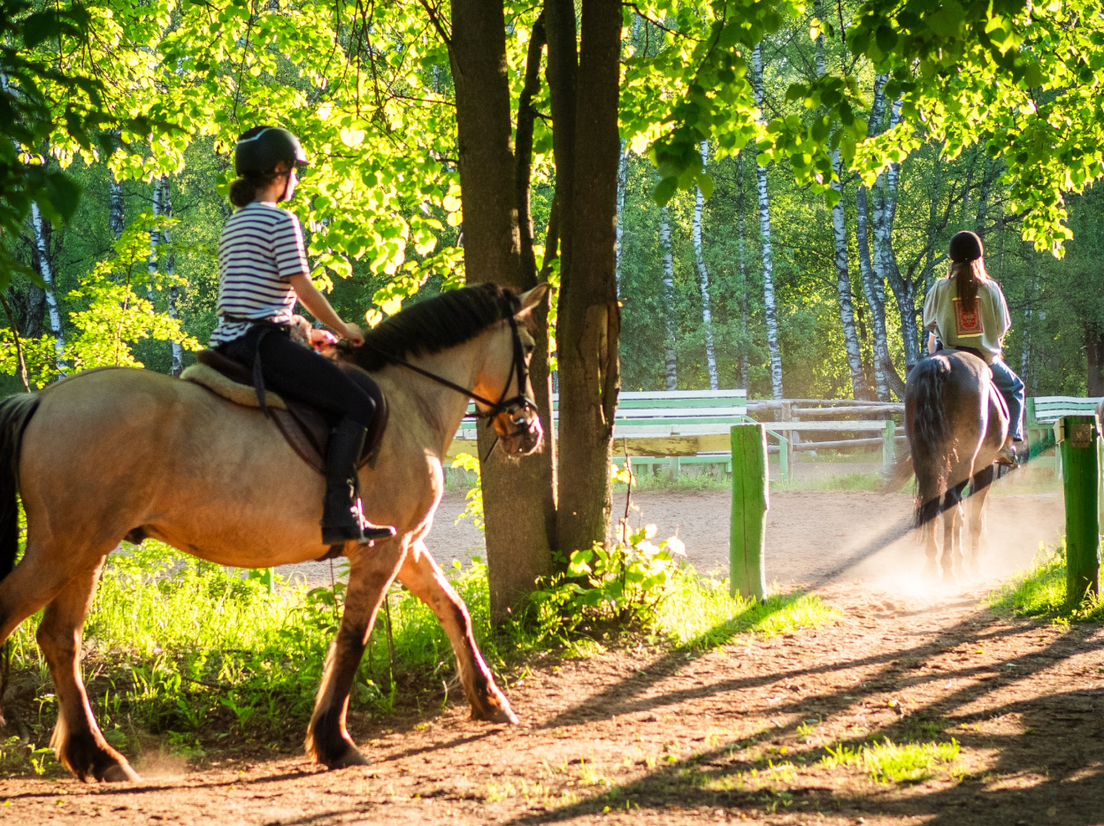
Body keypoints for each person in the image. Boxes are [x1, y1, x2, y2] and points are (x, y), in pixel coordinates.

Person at [210, 125, 394, 545]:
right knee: (358, 402)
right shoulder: (280, 220)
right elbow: (303, 287)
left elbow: (259, 296)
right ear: (280, 170)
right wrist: (344, 328)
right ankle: (340, 511)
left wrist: (307, 334)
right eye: (295, 171)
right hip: (262, 345)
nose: (296, 180)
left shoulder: (234, 224)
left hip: (230, 342)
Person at [922, 230, 1025, 465]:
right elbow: (1002, 326)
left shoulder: (940, 288)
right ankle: (1008, 445)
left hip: (949, 356)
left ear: (952, 258)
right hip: (985, 360)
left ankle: (915, 447)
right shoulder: (991, 288)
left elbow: (929, 323)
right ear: (979, 257)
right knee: (1015, 389)